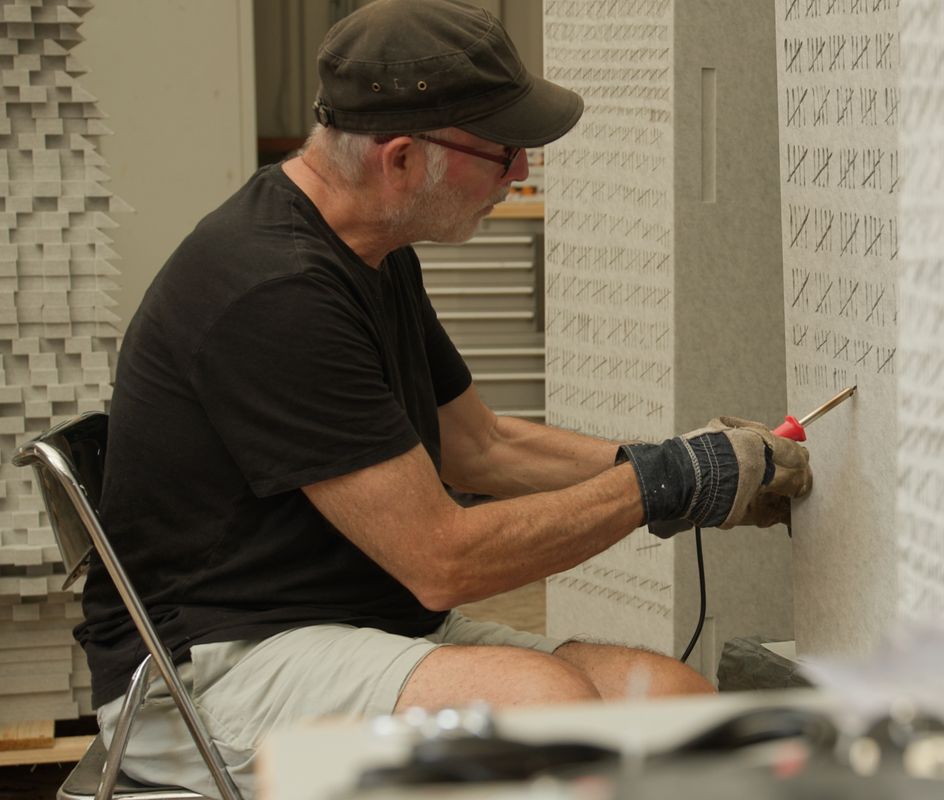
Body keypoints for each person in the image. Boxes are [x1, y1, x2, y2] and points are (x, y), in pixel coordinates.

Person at [76, 0, 812, 795]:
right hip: (213, 667)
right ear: (400, 160)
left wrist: (685, 464)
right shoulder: (274, 289)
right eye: (502, 151)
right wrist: (662, 485)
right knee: (547, 716)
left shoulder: (372, 247)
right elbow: (442, 560)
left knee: (672, 703)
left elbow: (479, 447)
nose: (520, 172)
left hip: (360, 620)